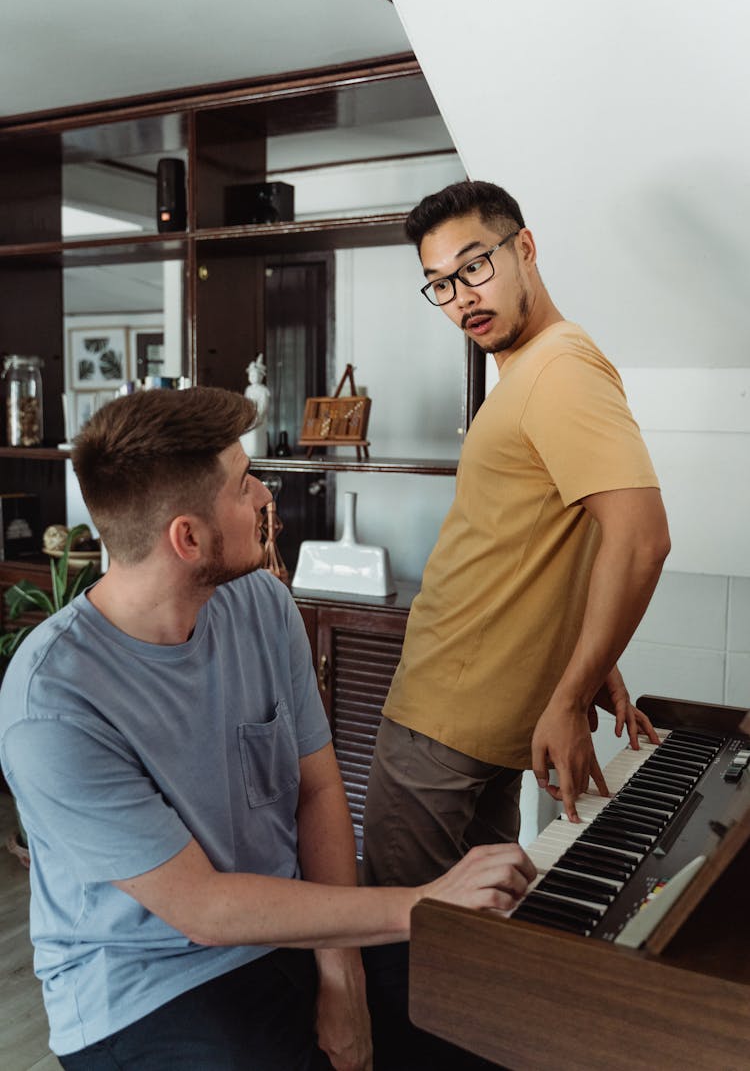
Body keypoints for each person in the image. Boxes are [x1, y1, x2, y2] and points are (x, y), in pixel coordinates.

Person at [0, 385, 535, 1071]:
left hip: (287, 928)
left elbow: (316, 789)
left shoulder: (261, 602)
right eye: (245, 483)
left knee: (473, 1015)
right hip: (145, 983)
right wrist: (425, 902)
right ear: (187, 538)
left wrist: (342, 976)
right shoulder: (53, 701)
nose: (264, 496)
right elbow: (204, 910)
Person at [363, 178, 671, 882]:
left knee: (402, 936)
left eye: (474, 266)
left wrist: (570, 691)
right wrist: (590, 664)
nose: (461, 297)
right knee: (470, 937)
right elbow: (553, 538)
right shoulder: (536, 368)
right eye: (439, 283)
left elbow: (641, 538)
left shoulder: (558, 366)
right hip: (477, 719)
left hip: (442, 721)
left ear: (524, 248)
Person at [241, 352, 270, 459]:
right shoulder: (248, 389)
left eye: (255, 375)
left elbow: (263, 406)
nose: (253, 377)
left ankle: (257, 452)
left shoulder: (263, 390)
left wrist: (257, 416)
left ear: (261, 377)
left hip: (258, 418)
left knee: (256, 437)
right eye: (251, 375)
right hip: (249, 416)